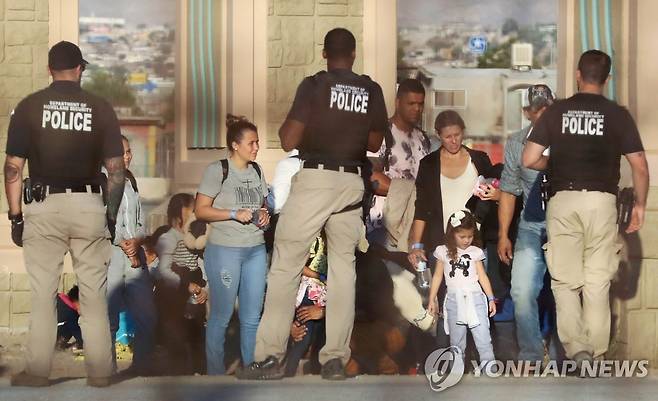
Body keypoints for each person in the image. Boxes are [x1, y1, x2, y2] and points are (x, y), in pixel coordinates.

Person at [240, 28, 388, 381]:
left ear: (325, 53)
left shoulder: (314, 85)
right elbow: (374, 140)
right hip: (352, 181)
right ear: (353, 54)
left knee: (286, 264)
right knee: (342, 271)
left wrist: (316, 127)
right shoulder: (370, 88)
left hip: (317, 178)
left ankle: (271, 358)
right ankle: (335, 359)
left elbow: (288, 138)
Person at [4, 41, 125, 387]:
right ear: (79, 69)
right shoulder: (100, 108)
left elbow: (13, 167)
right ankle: (101, 372)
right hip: (89, 205)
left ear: (49, 70)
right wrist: (111, 216)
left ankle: (38, 371)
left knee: (43, 293)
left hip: (43, 206)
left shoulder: (29, 107)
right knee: (93, 292)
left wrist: (15, 216)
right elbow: (115, 170)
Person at [522, 50, 649, 370]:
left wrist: (554, 163)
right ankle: (596, 354)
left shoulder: (556, 112)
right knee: (596, 283)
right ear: (607, 79)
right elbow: (639, 166)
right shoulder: (618, 115)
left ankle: (577, 348)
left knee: (565, 282)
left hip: (564, 200)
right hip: (602, 202)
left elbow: (529, 159)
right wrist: (641, 206)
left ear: (578, 75)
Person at [195, 115, 270, 375]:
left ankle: (251, 368)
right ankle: (215, 374)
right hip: (224, 250)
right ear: (235, 145)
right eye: (251, 143)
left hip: (255, 249)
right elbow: (200, 210)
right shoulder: (218, 170)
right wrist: (232, 213)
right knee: (221, 316)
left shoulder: (258, 171)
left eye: (258, 142)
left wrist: (264, 215)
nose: (256, 148)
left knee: (252, 317)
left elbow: (263, 206)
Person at [498, 84, 557, 363]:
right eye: (538, 109)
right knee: (521, 289)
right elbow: (509, 190)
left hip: (563, 226)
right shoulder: (516, 143)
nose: (544, 113)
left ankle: (566, 355)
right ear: (527, 112)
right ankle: (532, 354)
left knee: (568, 290)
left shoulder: (567, 140)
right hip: (530, 226)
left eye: (548, 107)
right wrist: (502, 234)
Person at [408, 110, 499, 271]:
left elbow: (496, 191)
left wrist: (497, 195)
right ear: (438, 135)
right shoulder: (428, 165)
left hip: (476, 245)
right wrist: (416, 245)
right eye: (448, 137)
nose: (454, 141)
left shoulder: (479, 159)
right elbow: (421, 208)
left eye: (457, 135)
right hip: (442, 247)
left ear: (463, 132)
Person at [106, 135, 157, 376]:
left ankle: (142, 365)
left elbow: (139, 221)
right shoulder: (100, 181)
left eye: (129, 151)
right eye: (123, 152)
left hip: (134, 253)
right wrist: (125, 245)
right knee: (109, 314)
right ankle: (107, 368)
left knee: (146, 312)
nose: (128, 156)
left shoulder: (130, 181)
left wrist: (136, 242)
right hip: (112, 254)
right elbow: (103, 220)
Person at [427, 210, 496, 367]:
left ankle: (490, 372)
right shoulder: (442, 251)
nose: (466, 240)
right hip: (453, 300)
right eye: (462, 237)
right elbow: (437, 276)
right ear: (452, 234)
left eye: (470, 236)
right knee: (456, 343)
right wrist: (432, 298)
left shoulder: (475, 252)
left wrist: (491, 298)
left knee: (483, 339)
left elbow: (483, 276)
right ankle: (456, 374)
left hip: (475, 298)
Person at [153, 193, 208, 375]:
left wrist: (204, 289)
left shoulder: (195, 239)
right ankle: (178, 372)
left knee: (197, 336)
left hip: (194, 293)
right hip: (173, 296)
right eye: (191, 213)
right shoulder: (169, 238)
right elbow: (163, 271)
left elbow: (202, 264)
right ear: (177, 218)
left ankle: (199, 371)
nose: (195, 217)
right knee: (175, 336)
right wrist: (185, 286)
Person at [284, 234, 328, 377]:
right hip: (306, 294)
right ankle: (288, 376)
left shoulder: (336, 242)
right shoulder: (309, 236)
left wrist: (325, 311)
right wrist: (319, 276)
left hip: (327, 298)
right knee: (303, 339)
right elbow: (295, 265)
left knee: (321, 343)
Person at [56, 285, 83, 351]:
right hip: (51, 338)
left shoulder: (59, 298)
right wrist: (83, 343)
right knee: (69, 327)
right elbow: (75, 330)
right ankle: (58, 344)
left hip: (41, 333)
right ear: (78, 302)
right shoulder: (71, 312)